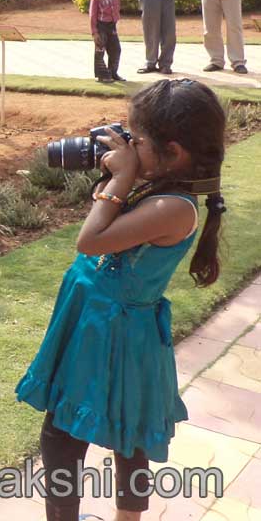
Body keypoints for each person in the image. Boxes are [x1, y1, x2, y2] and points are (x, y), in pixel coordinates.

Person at [15, 79, 227, 521]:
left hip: (114, 331)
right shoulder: (161, 184)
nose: (129, 147)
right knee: (95, 429)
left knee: (80, 433)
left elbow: (91, 241)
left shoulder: (176, 206)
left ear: (174, 151)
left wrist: (122, 176)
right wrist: (126, 173)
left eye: (139, 142)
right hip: (96, 320)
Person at [90, 0, 132, 82]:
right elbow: (92, 15)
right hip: (101, 26)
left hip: (111, 26)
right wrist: (94, 32)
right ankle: (102, 75)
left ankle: (113, 73)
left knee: (115, 50)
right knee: (100, 50)